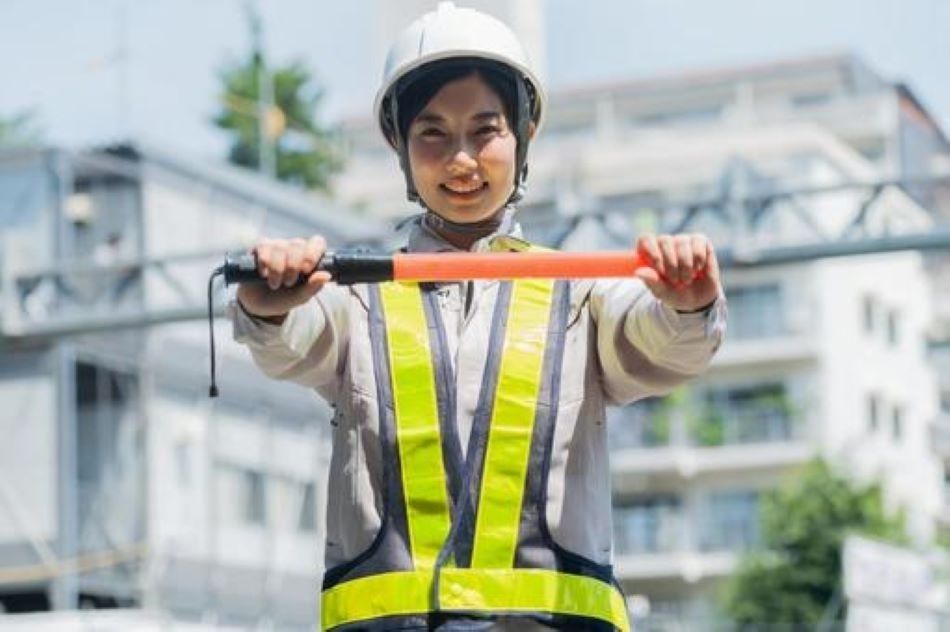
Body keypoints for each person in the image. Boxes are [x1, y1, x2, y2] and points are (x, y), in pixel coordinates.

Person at [231, 2, 726, 630]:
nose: (461, 159)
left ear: (524, 135)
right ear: (399, 146)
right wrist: (268, 307)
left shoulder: (579, 292)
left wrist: (686, 305)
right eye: (432, 133)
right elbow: (294, 340)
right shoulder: (357, 295)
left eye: (485, 130)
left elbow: (659, 344)